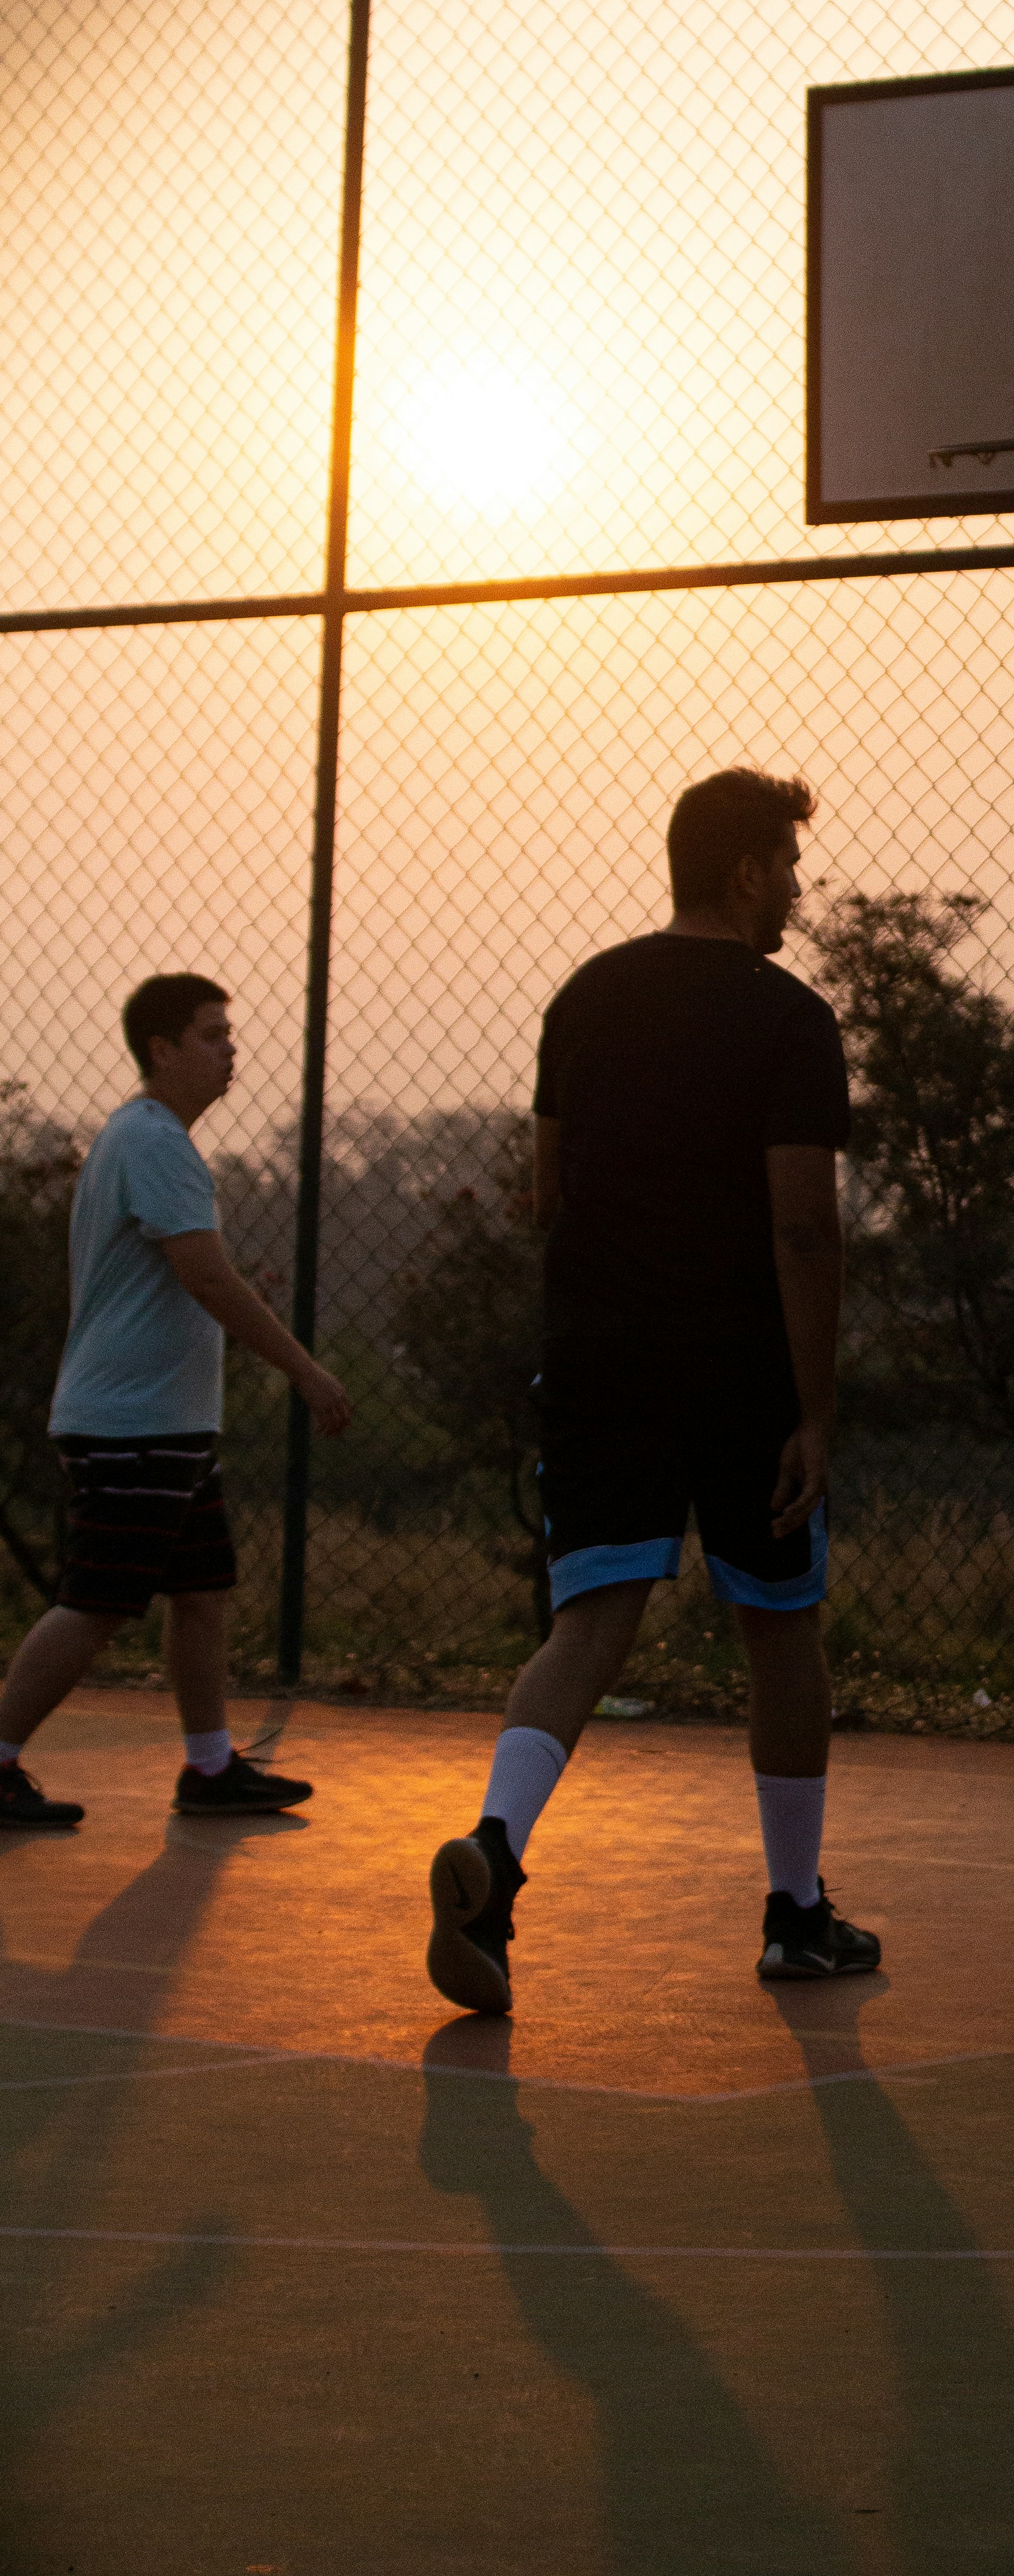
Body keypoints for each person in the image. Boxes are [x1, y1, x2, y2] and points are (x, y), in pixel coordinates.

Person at [424, 770, 877, 2015]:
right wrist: (816, 1407)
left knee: (586, 1629)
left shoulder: (585, 997)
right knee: (780, 1625)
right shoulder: (788, 1020)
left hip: (600, 1356)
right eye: (788, 863)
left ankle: (498, 1855)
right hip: (737, 1367)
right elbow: (802, 1228)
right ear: (744, 872)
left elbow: (546, 1188)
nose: (797, 885)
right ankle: (796, 1912)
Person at [0, 975, 351, 1830]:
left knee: (201, 1591)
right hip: (132, 1423)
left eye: (229, 1033)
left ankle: (208, 1769)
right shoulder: (153, 1142)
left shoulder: (146, 1140)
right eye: (211, 1034)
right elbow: (205, 1273)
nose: (232, 1048)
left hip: (171, 1423)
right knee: (97, 1602)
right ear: (162, 1050)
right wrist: (306, 1370)